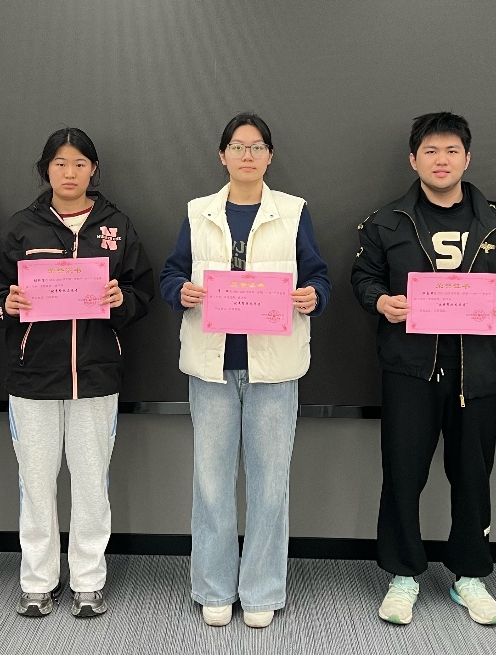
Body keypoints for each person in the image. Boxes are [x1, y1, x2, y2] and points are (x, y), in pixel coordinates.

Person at [350, 112, 496, 627]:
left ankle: (469, 575)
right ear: (414, 159)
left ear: (467, 158)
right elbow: (363, 276)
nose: (441, 160)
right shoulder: (387, 222)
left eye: (451, 151)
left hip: (477, 368)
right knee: (403, 473)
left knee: (473, 474)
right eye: (430, 151)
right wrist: (380, 301)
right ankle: (403, 575)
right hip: (410, 367)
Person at [159, 113, 331, 630]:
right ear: (223, 155)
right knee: (211, 483)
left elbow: (319, 277)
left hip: (273, 369)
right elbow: (171, 273)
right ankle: (213, 587)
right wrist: (181, 291)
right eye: (237, 146)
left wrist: (313, 296)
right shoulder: (198, 212)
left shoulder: (293, 211)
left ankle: (261, 590)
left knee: (270, 484)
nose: (247, 155)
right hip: (211, 366)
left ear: (270, 156)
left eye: (257, 147)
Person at [0, 127, 154, 619]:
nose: (70, 172)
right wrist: (7, 304)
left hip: (95, 377)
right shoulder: (21, 227)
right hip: (32, 378)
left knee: (91, 483)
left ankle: (87, 581)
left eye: (79, 163)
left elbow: (142, 292)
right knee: (36, 484)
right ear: (46, 170)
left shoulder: (116, 225)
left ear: (93, 169)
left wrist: (122, 299)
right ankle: (37, 581)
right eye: (60, 163)